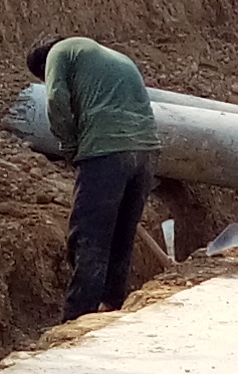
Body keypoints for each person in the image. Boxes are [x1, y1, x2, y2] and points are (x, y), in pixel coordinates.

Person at [27, 33, 160, 316]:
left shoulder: (57, 54)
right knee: (121, 237)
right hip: (147, 152)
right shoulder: (109, 57)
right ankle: (111, 308)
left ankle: (78, 318)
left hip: (107, 151)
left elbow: (56, 98)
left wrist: (69, 145)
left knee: (90, 238)